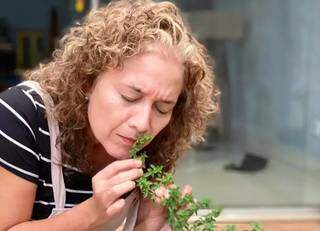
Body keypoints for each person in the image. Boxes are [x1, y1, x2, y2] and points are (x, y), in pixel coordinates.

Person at [0, 0, 218, 230]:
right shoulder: (20, 116)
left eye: (162, 108)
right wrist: (91, 213)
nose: (143, 123)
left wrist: (144, 225)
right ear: (88, 81)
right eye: (130, 97)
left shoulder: (155, 146)